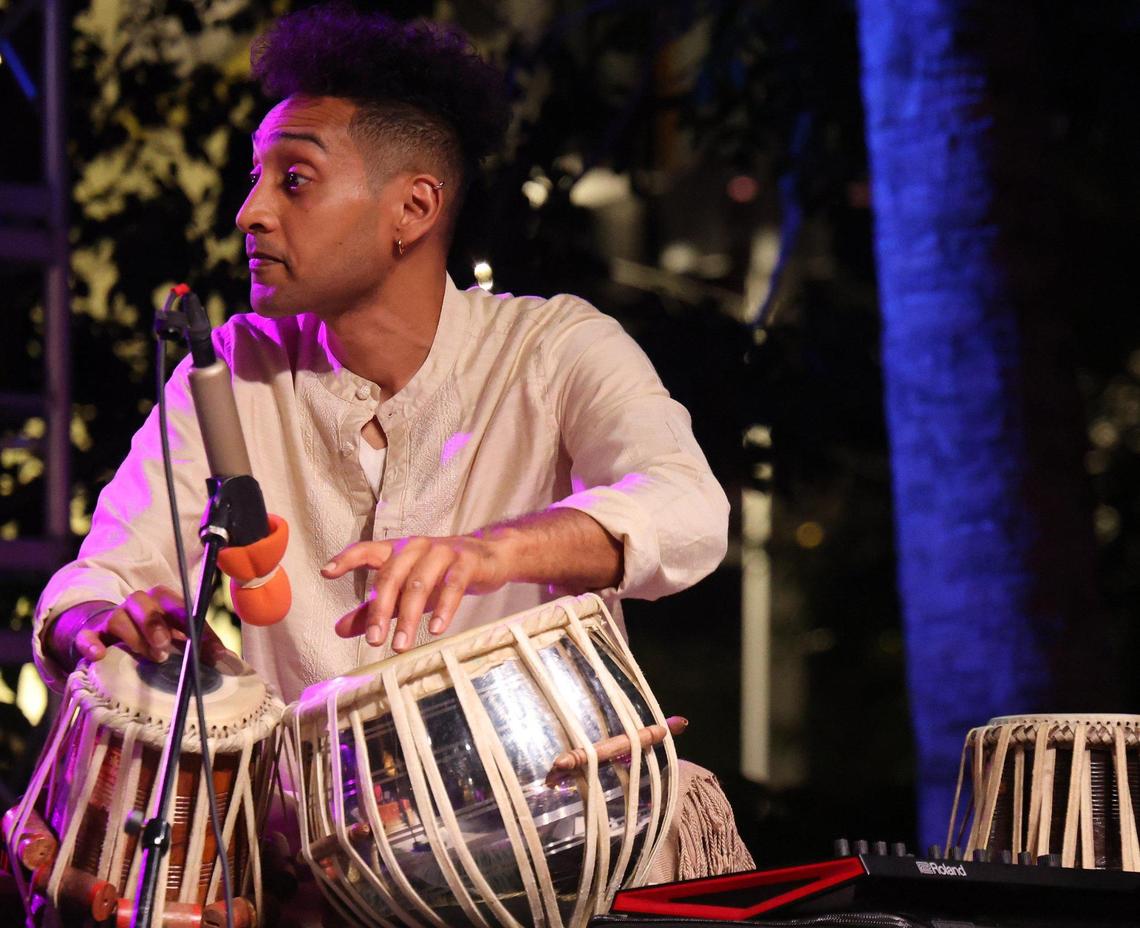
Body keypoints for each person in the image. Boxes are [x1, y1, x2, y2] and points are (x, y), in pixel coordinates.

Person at [33, 2, 751, 885]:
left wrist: (493, 552)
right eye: (256, 178)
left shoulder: (554, 349)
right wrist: (103, 624)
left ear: (412, 208)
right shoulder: (232, 377)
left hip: (560, 846)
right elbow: (100, 578)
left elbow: (688, 509)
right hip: (327, 866)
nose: (249, 213)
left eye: (293, 179)